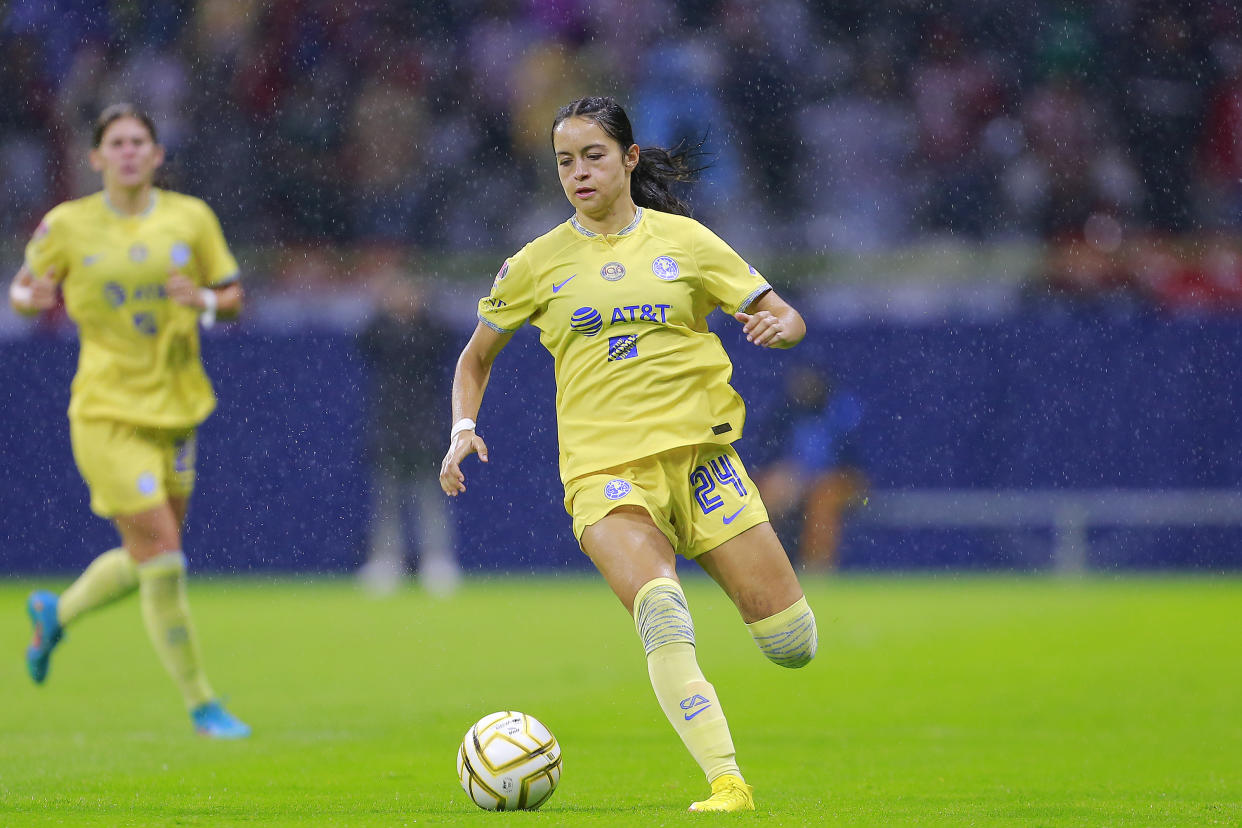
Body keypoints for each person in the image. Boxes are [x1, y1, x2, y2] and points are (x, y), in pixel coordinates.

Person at [440, 96, 816, 813]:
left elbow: (785, 313)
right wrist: (463, 428)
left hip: (703, 464)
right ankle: (727, 782)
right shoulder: (535, 263)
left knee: (792, 643)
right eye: (564, 162)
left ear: (628, 159)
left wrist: (780, 329)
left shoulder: (689, 241)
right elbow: (475, 356)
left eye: (593, 156)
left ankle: (753, 678)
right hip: (603, 474)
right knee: (663, 609)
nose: (577, 173)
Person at [9, 104, 250, 739]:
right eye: (115, 143)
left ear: (157, 154)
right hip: (106, 412)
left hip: (176, 405)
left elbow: (232, 298)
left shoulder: (190, 218)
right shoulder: (66, 224)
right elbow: (23, 288)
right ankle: (203, 703)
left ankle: (55, 614)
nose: (127, 152)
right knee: (165, 557)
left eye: (138, 141)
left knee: (146, 553)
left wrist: (199, 299)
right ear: (95, 158)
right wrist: (26, 299)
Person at [356, 253, 461, 596]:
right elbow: (365, 340)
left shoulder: (429, 330)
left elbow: (444, 340)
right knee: (387, 497)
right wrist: (385, 307)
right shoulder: (382, 330)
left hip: (425, 423)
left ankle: (437, 560)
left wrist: (422, 308)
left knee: (431, 495)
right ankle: (387, 560)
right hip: (389, 424)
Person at [753, 365, 868, 572]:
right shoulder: (786, 413)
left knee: (823, 498)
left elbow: (854, 464)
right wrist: (786, 476)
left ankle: (817, 569)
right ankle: (765, 569)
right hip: (796, 478)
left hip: (837, 479)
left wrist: (817, 479)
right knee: (764, 495)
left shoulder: (840, 412)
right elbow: (771, 456)